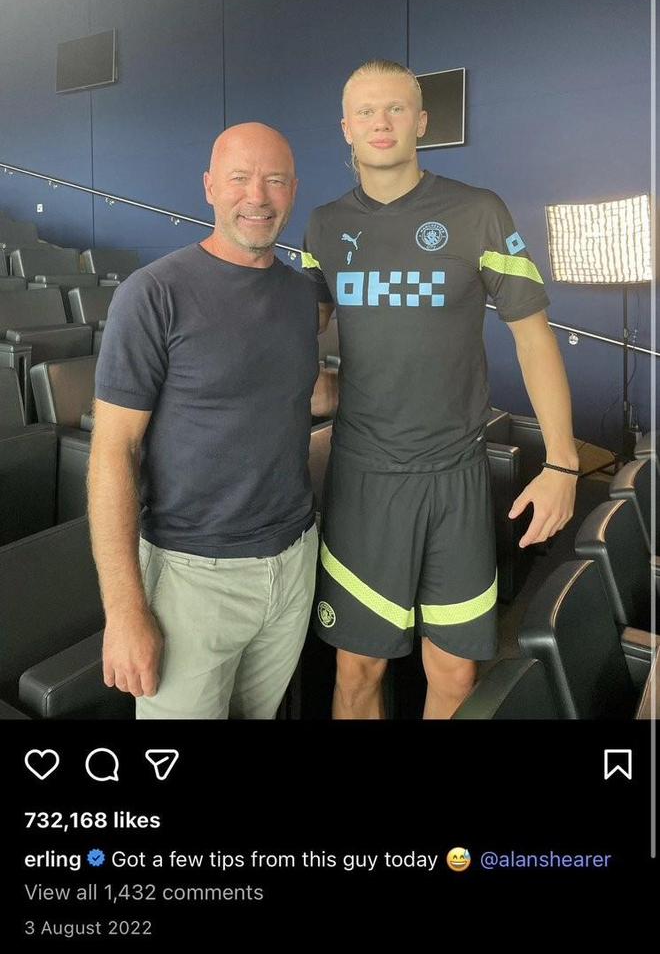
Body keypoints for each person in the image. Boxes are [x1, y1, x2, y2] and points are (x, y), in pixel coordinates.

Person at [302, 60, 579, 719]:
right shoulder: (322, 226)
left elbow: (534, 339)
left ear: (422, 122)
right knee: (358, 668)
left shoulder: (478, 212)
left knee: (455, 672)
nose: (381, 122)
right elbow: (296, 337)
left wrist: (564, 463)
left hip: (455, 473)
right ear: (346, 128)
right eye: (366, 111)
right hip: (364, 479)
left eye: (396, 108)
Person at [88, 122, 335, 719]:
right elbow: (112, 453)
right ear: (208, 187)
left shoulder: (303, 297)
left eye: (275, 180)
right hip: (191, 577)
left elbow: (293, 390)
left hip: (294, 559)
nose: (258, 197)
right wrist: (124, 612)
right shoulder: (152, 294)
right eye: (239, 178)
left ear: (294, 190)